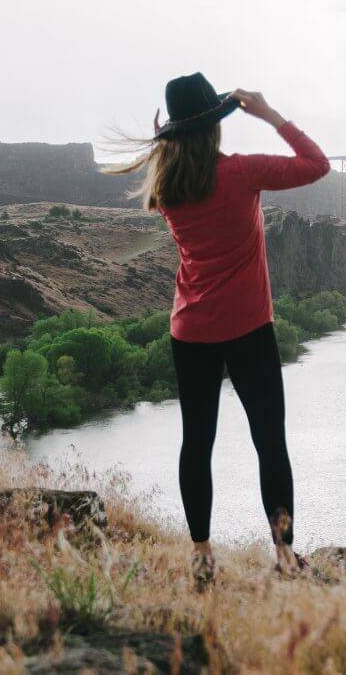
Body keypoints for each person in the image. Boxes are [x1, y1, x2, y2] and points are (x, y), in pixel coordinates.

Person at [108, 72, 330, 588]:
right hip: (249, 328)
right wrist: (271, 116)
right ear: (215, 128)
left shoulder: (166, 189)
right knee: (269, 442)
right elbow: (316, 165)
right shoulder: (240, 173)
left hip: (190, 332)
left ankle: (202, 555)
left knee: (196, 442)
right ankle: (283, 557)